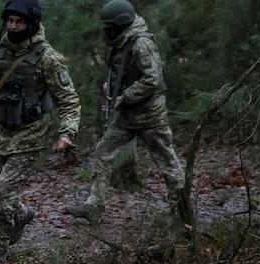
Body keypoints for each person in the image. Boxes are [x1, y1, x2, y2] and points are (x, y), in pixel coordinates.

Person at [66, 0, 189, 225]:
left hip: (150, 116)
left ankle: (181, 210)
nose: (106, 31)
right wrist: (110, 89)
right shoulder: (122, 42)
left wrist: (127, 96)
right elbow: (121, 72)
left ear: (119, 24)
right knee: (103, 152)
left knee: (167, 161)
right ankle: (94, 205)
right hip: (125, 115)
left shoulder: (141, 42)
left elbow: (153, 78)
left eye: (109, 26)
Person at [0, 0, 80, 260]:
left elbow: (68, 99)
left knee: (3, 193)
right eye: (10, 21)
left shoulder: (48, 58)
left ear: (31, 24)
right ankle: (23, 214)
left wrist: (66, 132)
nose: (13, 27)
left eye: (20, 22)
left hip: (30, 135)